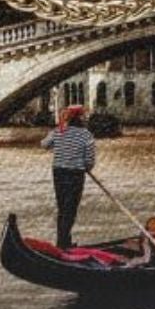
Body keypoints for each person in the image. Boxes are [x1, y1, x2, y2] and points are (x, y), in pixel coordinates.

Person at [41, 103, 98, 249]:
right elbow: (90, 161)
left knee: (62, 208)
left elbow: (44, 144)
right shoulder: (86, 135)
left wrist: (59, 141)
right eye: (84, 116)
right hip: (75, 174)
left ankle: (64, 242)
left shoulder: (58, 131)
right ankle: (63, 244)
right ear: (81, 118)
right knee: (70, 210)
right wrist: (85, 167)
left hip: (58, 172)